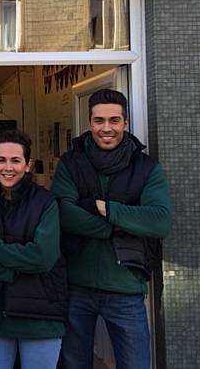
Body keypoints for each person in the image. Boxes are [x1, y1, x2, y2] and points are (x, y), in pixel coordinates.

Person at [51, 89, 172, 369]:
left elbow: (159, 220)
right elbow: (63, 214)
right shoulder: (71, 163)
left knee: (135, 364)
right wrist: (120, 225)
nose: (107, 128)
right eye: (99, 120)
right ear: (90, 122)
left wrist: (106, 208)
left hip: (125, 288)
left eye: (114, 120)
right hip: (76, 286)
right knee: (73, 364)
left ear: (125, 123)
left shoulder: (146, 168)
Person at [0, 129, 66, 369]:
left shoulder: (45, 202)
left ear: (27, 165)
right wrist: (12, 271)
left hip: (40, 317)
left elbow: (43, 258)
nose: (8, 167)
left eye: (15, 161)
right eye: (1, 160)